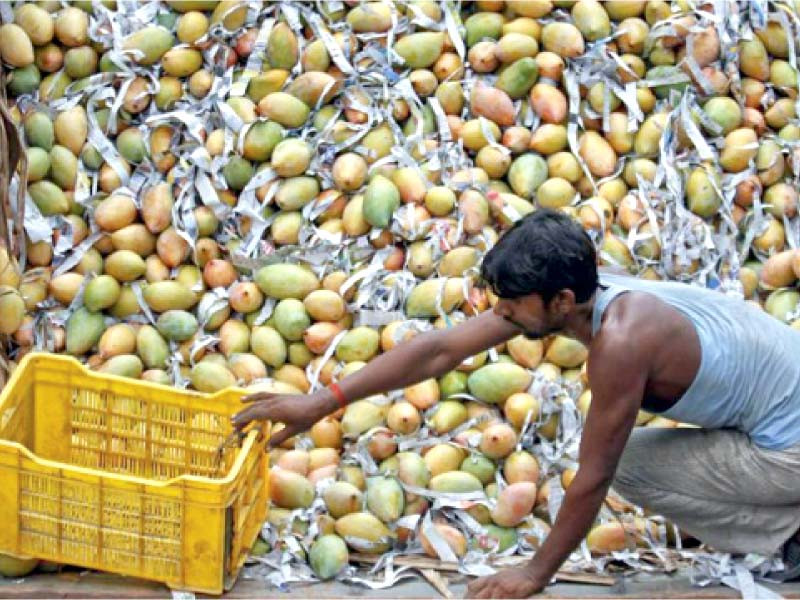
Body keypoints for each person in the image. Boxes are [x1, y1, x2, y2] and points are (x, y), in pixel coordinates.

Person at [233, 209, 800, 598]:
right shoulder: (587, 294)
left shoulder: (622, 343)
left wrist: (535, 573)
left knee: (630, 467)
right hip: (777, 415)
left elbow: (593, 477)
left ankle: (789, 531)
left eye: (510, 309)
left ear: (561, 301)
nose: (499, 317)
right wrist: (321, 401)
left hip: (790, 448)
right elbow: (438, 350)